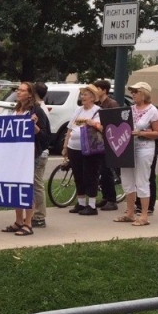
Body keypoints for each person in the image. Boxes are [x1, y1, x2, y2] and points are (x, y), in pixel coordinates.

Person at [3, 82, 50, 235]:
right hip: (15, 155)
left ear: (30, 94)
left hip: (30, 155)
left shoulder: (37, 111)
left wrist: (34, 126)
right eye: (18, 90)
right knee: (17, 188)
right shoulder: (16, 110)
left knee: (27, 188)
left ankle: (28, 223)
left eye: (22, 90)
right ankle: (18, 220)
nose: (18, 92)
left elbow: (44, 136)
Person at [116, 82, 158, 226]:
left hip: (144, 148)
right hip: (127, 148)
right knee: (127, 180)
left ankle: (143, 215)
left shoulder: (152, 111)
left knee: (142, 180)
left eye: (136, 91)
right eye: (132, 92)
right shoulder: (129, 109)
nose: (133, 94)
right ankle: (130, 212)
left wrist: (142, 133)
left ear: (144, 93)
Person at [61, 84, 104, 217]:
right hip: (74, 148)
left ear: (92, 98)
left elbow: (104, 128)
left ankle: (91, 205)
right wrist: (65, 146)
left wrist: (94, 124)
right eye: (82, 94)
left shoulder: (98, 111)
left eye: (85, 95)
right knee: (78, 175)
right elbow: (70, 128)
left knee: (90, 175)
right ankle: (81, 203)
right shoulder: (78, 111)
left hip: (90, 149)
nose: (82, 97)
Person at [93, 79, 121, 211]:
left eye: (97, 88)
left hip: (109, 141)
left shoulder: (112, 104)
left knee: (107, 170)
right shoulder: (98, 104)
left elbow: (115, 124)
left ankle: (112, 200)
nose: (95, 91)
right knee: (101, 171)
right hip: (99, 142)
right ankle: (105, 197)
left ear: (104, 90)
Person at [31, 82, 52, 228]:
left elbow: (44, 134)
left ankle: (39, 215)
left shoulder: (39, 109)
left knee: (37, 183)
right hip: (32, 151)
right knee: (32, 183)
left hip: (40, 152)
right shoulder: (33, 108)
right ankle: (33, 213)